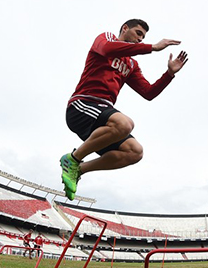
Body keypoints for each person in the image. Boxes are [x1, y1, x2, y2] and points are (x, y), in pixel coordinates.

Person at [59, 18, 189, 200]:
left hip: (102, 114)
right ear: (125, 28)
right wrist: (152, 47)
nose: (140, 39)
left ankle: (78, 169)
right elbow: (107, 49)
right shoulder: (106, 38)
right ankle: (72, 159)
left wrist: (169, 74)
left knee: (135, 152)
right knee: (125, 124)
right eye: (138, 33)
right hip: (83, 105)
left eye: (143, 37)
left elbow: (148, 92)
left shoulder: (131, 64)